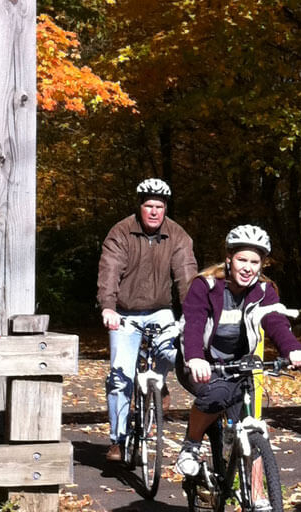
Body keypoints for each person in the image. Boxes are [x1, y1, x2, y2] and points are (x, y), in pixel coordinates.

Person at [174, 224, 301, 477]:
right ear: (229, 259)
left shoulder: (263, 292)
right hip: (202, 363)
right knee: (217, 393)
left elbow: (276, 322)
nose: (248, 267)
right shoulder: (206, 286)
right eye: (242, 259)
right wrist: (194, 357)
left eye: (255, 262)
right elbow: (193, 324)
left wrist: (293, 349)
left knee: (248, 423)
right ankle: (190, 445)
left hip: (239, 365)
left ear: (262, 265)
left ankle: (255, 498)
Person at [97, 178, 198, 462]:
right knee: (120, 376)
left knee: (172, 352)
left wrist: (194, 314)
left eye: (159, 206)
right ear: (140, 207)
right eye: (149, 206)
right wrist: (108, 307)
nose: (154, 212)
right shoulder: (121, 232)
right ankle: (118, 439)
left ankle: (159, 385)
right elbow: (109, 272)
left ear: (165, 209)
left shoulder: (178, 235)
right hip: (125, 311)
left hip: (160, 309)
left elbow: (187, 277)